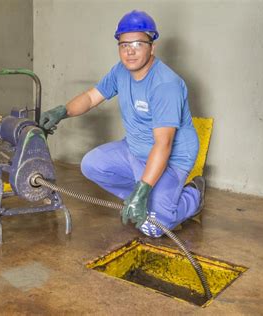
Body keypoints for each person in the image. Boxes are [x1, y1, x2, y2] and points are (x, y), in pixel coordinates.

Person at [39, 10, 205, 237]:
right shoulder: (120, 71)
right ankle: (144, 200)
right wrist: (62, 111)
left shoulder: (165, 85)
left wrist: (143, 190)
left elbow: (163, 145)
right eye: (124, 45)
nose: (130, 51)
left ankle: (192, 197)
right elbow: (90, 98)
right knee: (91, 164)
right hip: (135, 149)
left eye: (137, 43)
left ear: (152, 47)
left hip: (171, 158)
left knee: (154, 228)